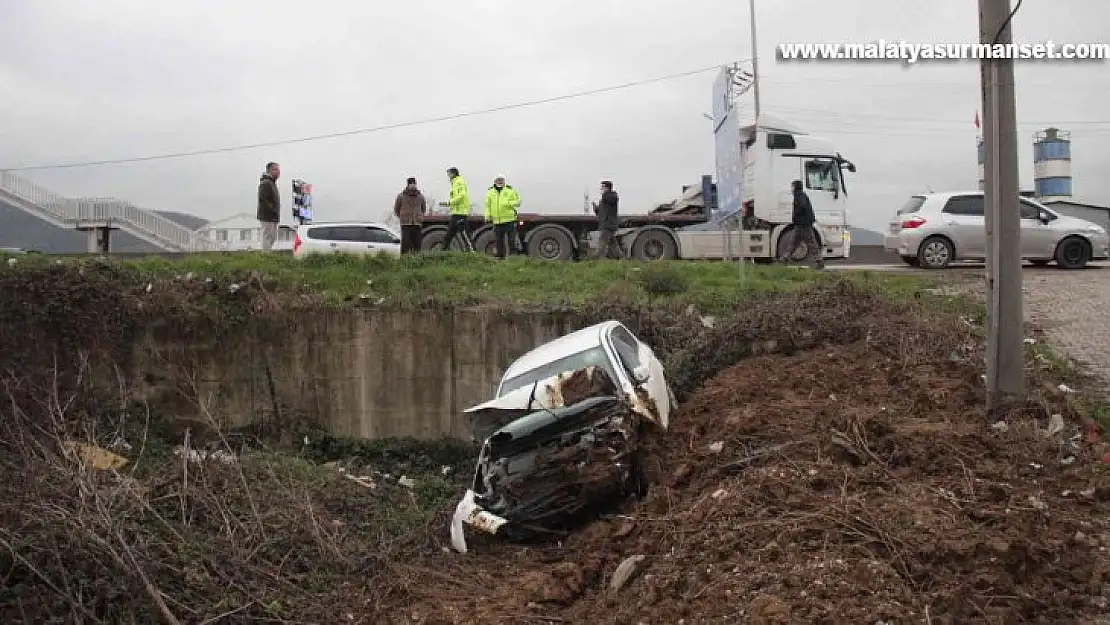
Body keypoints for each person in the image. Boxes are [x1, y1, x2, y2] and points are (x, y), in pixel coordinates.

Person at [778, 179, 824, 268]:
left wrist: (796, 215)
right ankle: (784, 258)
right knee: (793, 242)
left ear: (796, 187)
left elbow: (801, 206)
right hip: (800, 224)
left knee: (811, 242)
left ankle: (819, 261)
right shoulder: (800, 195)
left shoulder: (799, 195)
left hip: (804, 224)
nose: (791, 189)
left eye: (792, 186)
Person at [484, 175, 521, 259]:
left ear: (504, 181)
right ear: (494, 181)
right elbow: (487, 205)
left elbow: (518, 202)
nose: (500, 181)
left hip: (509, 220)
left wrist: (508, 203)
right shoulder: (490, 192)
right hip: (497, 221)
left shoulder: (510, 190)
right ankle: (500, 257)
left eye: (501, 180)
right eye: (498, 180)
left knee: (511, 240)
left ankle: (513, 257)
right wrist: (487, 215)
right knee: (498, 241)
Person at [441, 167, 473, 251]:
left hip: (460, 213)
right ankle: (443, 251)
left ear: (453, 173)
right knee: (449, 234)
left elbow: (462, 195)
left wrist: (449, 202)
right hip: (455, 213)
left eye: (449, 173)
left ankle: (472, 252)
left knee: (465, 235)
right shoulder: (454, 183)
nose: (448, 176)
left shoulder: (459, 182)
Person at [393, 177, 427, 254]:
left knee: (417, 245)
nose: (413, 185)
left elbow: (423, 209)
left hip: (417, 223)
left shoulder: (420, 196)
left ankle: (417, 261)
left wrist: (420, 217)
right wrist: (402, 216)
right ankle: (404, 262)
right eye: (411, 184)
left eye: (414, 183)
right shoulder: (401, 196)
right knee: (405, 245)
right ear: (408, 185)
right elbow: (396, 209)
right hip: (406, 224)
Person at [592, 180, 621, 259]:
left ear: (607, 188)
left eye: (603, 187)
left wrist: (604, 195)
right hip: (606, 224)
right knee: (613, 244)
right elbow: (601, 213)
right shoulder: (605, 199)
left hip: (608, 225)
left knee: (602, 243)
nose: (601, 189)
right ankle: (621, 258)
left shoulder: (611, 196)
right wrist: (596, 209)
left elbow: (611, 200)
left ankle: (594, 259)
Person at [256, 162, 281, 251]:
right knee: (267, 237)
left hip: (273, 216)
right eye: (276, 169)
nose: (279, 172)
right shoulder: (266, 183)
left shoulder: (272, 183)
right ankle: (265, 257)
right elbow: (264, 199)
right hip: (267, 216)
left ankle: (267, 254)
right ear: (270, 170)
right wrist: (273, 210)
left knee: (272, 237)